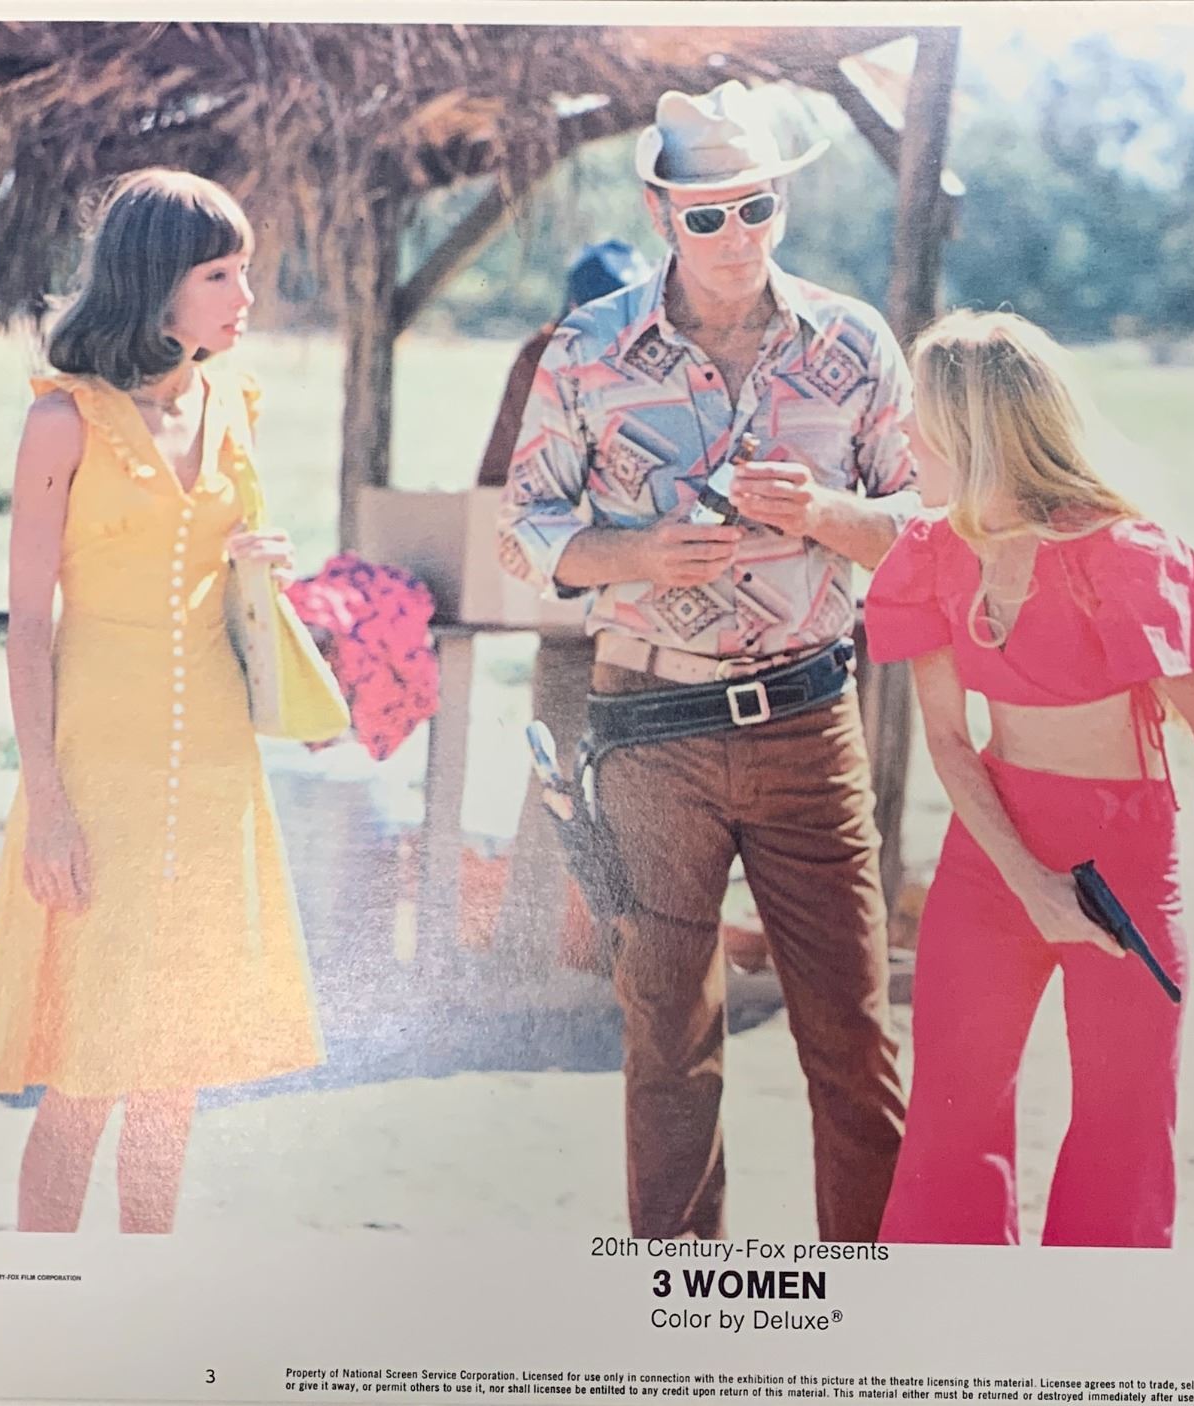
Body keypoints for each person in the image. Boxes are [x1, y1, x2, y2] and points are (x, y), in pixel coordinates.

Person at [497, 80, 918, 1241]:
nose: (737, 235)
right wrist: (635, 552)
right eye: (708, 214)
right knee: (667, 1039)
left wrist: (826, 512)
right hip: (648, 725)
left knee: (855, 1038)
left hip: (808, 725)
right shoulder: (588, 347)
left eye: (757, 206)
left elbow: (924, 525)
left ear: (784, 198)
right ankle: (677, 1309)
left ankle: (868, 1306)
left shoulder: (856, 342)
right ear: (659, 211)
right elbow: (526, 530)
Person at [0, 169, 323, 1234]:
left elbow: (224, 577)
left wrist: (264, 562)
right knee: (86, 1077)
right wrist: (48, 803)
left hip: (214, 773)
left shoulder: (235, 404)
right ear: (154, 281)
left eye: (245, 269)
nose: (245, 295)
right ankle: (46, 1304)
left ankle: (142, 1297)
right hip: (96, 775)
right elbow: (30, 625)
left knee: (174, 1077)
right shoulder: (61, 423)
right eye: (219, 274)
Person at [866, 310, 1194, 1249]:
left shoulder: (1127, 557)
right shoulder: (930, 553)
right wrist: (1030, 882)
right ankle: (950, 1325)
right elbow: (950, 742)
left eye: (919, 411)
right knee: (952, 1122)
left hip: (1125, 860)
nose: (902, 430)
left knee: (1123, 1132)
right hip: (992, 849)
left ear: (976, 431)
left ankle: (1095, 1327)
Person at [481, 241, 654, 975]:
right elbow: (498, 485)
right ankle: (530, 952)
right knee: (556, 775)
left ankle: (616, 958)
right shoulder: (544, 358)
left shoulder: (666, 352)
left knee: (638, 786)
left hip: (650, 615)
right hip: (579, 609)